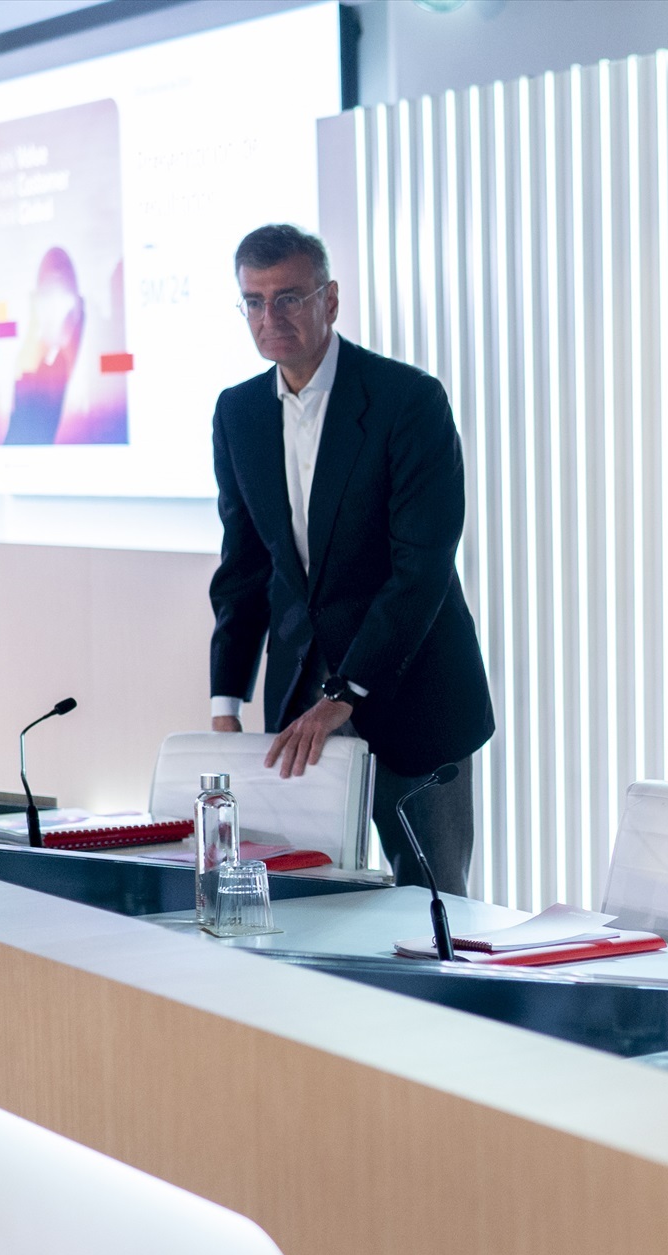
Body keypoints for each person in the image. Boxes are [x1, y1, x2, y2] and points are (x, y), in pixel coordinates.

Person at [207, 224, 493, 892]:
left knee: (435, 901)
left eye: (288, 298)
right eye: (253, 302)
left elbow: (420, 567)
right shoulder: (238, 413)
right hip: (299, 698)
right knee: (303, 895)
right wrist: (227, 699)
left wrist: (346, 693)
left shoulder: (408, 401)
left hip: (416, 692)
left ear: (329, 300)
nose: (269, 317)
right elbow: (245, 566)